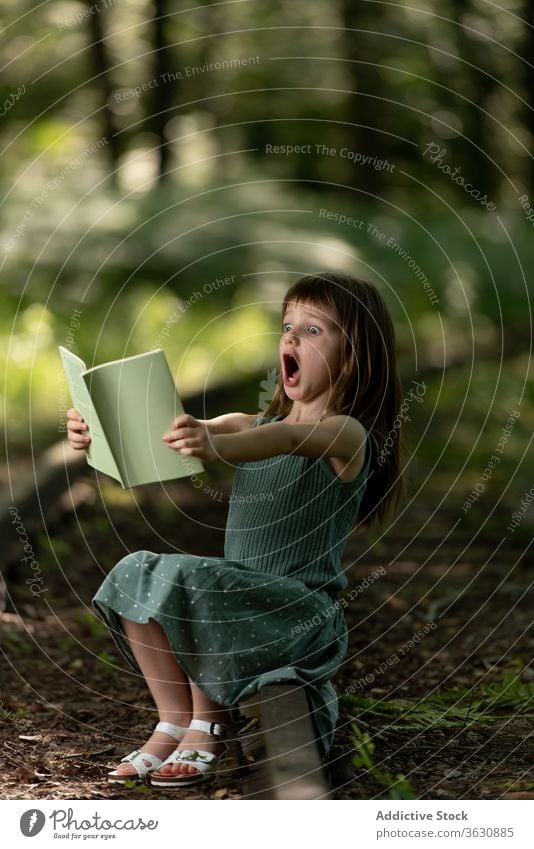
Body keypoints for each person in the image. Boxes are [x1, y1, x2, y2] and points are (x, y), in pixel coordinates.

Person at [66, 271, 403, 788]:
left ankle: (208, 724)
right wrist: (97, 431)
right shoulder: (249, 424)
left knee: (201, 579)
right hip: (240, 598)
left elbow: (291, 439)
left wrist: (214, 446)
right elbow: (182, 432)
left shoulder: (346, 434)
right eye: (287, 326)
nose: (291, 337)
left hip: (298, 611)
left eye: (314, 331)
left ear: (356, 353)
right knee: (136, 570)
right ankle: (175, 718)